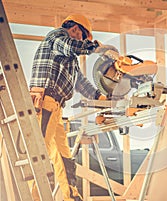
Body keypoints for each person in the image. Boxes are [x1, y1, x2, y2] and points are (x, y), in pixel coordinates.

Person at [29, 14, 117, 201]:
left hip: (55, 107)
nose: (82, 42)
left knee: (64, 157)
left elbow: (80, 82)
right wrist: (97, 48)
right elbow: (70, 46)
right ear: (75, 29)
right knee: (38, 156)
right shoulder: (56, 38)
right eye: (83, 38)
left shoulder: (69, 60)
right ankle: (31, 197)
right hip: (44, 102)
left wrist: (101, 97)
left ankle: (71, 196)